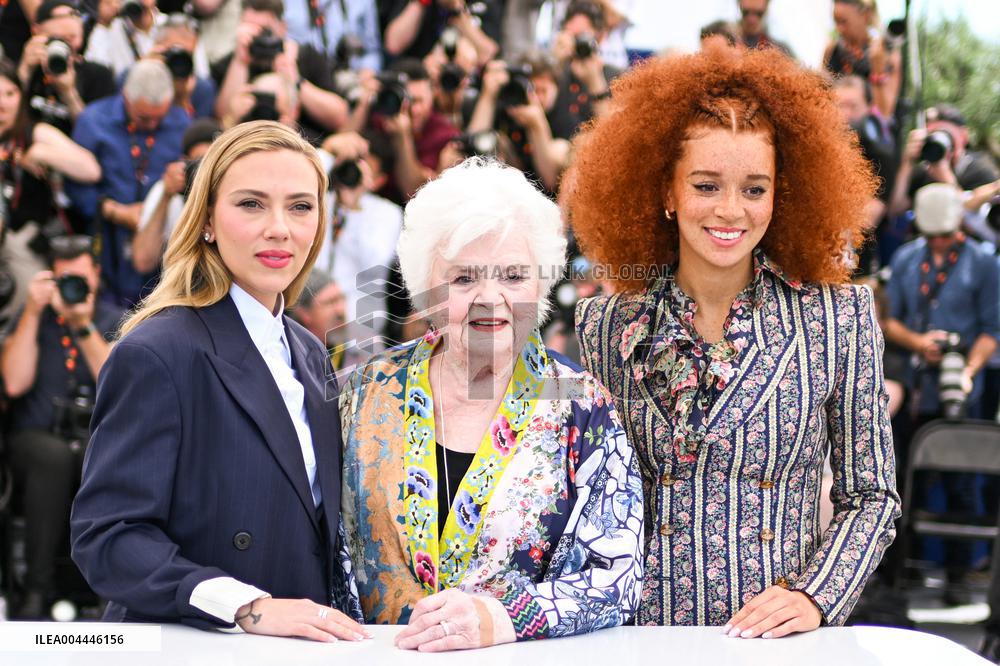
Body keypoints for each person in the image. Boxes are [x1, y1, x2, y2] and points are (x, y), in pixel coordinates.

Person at [569, 46, 899, 634]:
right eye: (705, 185)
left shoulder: (839, 318)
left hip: (778, 644)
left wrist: (815, 597)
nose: (730, 210)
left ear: (782, 193)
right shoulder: (605, 326)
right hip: (641, 638)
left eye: (754, 188)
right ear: (665, 193)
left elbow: (872, 497)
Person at [70, 121, 367, 638]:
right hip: (194, 643)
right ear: (206, 219)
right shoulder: (157, 351)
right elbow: (108, 538)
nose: (280, 227)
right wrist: (242, 605)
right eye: (251, 204)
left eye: (300, 206)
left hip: (300, 648)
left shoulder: (311, 353)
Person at [339, 157, 643, 649]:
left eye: (513, 276)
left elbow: (617, 579)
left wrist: (499, 620)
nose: (490, 298)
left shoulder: (581, 405)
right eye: (463, 279)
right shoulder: (367, 389)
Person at [883, 183, 999, 601]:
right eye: (931, 235)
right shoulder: (906, 259)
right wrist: (918, 343)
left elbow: (992, 330)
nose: (938, 243)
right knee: (902, 478)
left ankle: (960, 573)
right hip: (915, 386)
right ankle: (899, 572)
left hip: (962, 387)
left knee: (962, 480)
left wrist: (968, 369)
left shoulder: (984, 263)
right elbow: (889, 320)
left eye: (944, 235)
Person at [1, 236, 121, 619]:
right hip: (36, 439)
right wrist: (33, 312)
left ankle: (107, 594)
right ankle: (34, 592)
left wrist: (83, 326)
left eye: (80, 280)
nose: (72, 290)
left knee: (101, 457)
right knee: (52, 456)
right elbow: (14, 383)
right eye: (64, 280)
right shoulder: (32, 318)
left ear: (97, 277)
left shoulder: (113, 320)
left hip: (96, 438)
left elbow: (119, 388)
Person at [66, 58, 190, 306]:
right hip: (106, 233)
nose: (153, 124)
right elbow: (75, 187)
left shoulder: (181, 123)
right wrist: (113, 211)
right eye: (144, 118)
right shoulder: (94, 121)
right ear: (125, 96)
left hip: (160, 236)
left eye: (159, 118)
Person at [0, 58, 102, 331]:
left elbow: (91, 169)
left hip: (27, 238)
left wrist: (41, 154)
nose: (3, 104)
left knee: (33, 287)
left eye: (10, 93)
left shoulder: (34, 133)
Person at [210, 0, 350, 141]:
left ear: (282, 28)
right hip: (247, 142)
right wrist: (240, 63)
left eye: (265, 30)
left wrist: (297, 81)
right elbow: (220, 117)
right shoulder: (230, 63)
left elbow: (339, 117)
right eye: (252, 29)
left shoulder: (306, 57)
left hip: (306, 142)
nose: (259, 36)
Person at [131, 117, 220, 274]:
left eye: (214, 162)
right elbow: (143, 260)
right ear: (185, 162)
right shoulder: (170, 188)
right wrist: (166, 195)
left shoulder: (233, 191)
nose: (207, 170)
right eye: (200, 162)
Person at [16, 0, 117, 135]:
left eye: (71, 38)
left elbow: (98, 136)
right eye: (58, 38)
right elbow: (6, 117)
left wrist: (68, 93)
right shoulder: (26, 65)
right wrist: (24, 71)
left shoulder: (99, 75)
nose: (68, 20)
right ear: (37, 31)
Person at [822, 0, 900, 118]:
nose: (839, 28)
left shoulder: (888, 56)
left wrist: (877, 70)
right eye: (836, 22)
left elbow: (884, 114)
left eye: (843, 21)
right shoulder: (832, 49)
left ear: (865, 15)